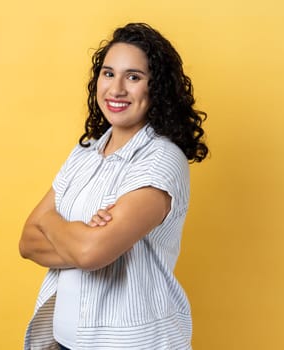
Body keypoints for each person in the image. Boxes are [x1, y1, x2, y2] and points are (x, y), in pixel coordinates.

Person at [19, 22, 208, 350]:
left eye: (133, 77)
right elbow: (27, 242)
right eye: (108, 74)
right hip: (63, 342)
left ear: (157, 87)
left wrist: (52, 224)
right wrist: (80, 235)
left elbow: (91, 252)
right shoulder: (86, 152)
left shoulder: (161, 159)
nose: (116, 88)